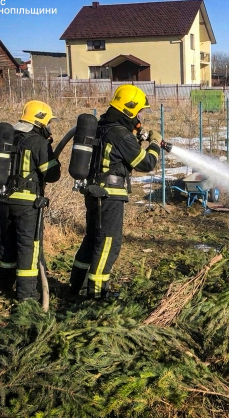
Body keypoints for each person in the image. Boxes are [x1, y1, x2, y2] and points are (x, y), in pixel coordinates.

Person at [69, 85, 161, 299]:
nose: (140, 116)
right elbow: (146, 163)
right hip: (109, 196)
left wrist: (136, 137)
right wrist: (155, 143)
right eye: (139, 111)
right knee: (108, 243)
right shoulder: (121, 135)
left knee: (92, 239)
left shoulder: (103, 127)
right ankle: (97, 294)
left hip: (95, 192)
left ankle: (76, 286)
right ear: (129, 110)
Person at [0, 100, 61, 301]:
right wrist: (50, 151)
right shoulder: (38, 142)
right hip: (26, 203)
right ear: (40, 121)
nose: (49, 126)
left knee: (8, 242)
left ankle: (3, 285)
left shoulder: (8, 137)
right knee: (28, 247)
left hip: (3, 200)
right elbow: (52, 174)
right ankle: (27, 295)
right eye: (48, 122)